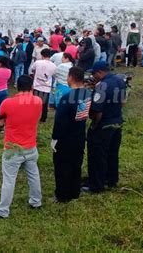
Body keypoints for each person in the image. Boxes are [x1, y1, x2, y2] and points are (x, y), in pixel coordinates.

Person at [0, 75, 42, 219]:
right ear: (32, 88)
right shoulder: (38, 101)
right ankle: (36, 201)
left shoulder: (8, 103)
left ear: (17, 87)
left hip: (13, 149)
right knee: (33, 175)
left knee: (9, 180)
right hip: (31, 146)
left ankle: (3, 211)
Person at [84, 61, 127, 193]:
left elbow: (97, 112)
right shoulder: (120, 80)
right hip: (117, 122)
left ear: (100, 72)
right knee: (112, 153)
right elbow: (123, 102)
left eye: (94, 74)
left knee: (97, 155)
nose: (93, 76)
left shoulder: (101, 86)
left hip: (104, 125)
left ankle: (97, 185)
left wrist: (94, 126)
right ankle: (111, 179)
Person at [51, 66, 91, 203]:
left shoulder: (67, 97)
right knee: (76, 165)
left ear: (71, 77)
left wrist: (55, 138)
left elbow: (59, 121)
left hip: (65, 139)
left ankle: (62, 195)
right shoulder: (87, 93)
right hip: (79, 135)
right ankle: (75, 192)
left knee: (62, 167)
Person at [32, 49, 56, 123]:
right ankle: (43, 118)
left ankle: (33, 117)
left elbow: (33, 70)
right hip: (46, 87)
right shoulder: (54, 65)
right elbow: (54, 75)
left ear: (42, 55)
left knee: (35, 103)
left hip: (37, 85)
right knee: (44, 104)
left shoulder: (37, 62)